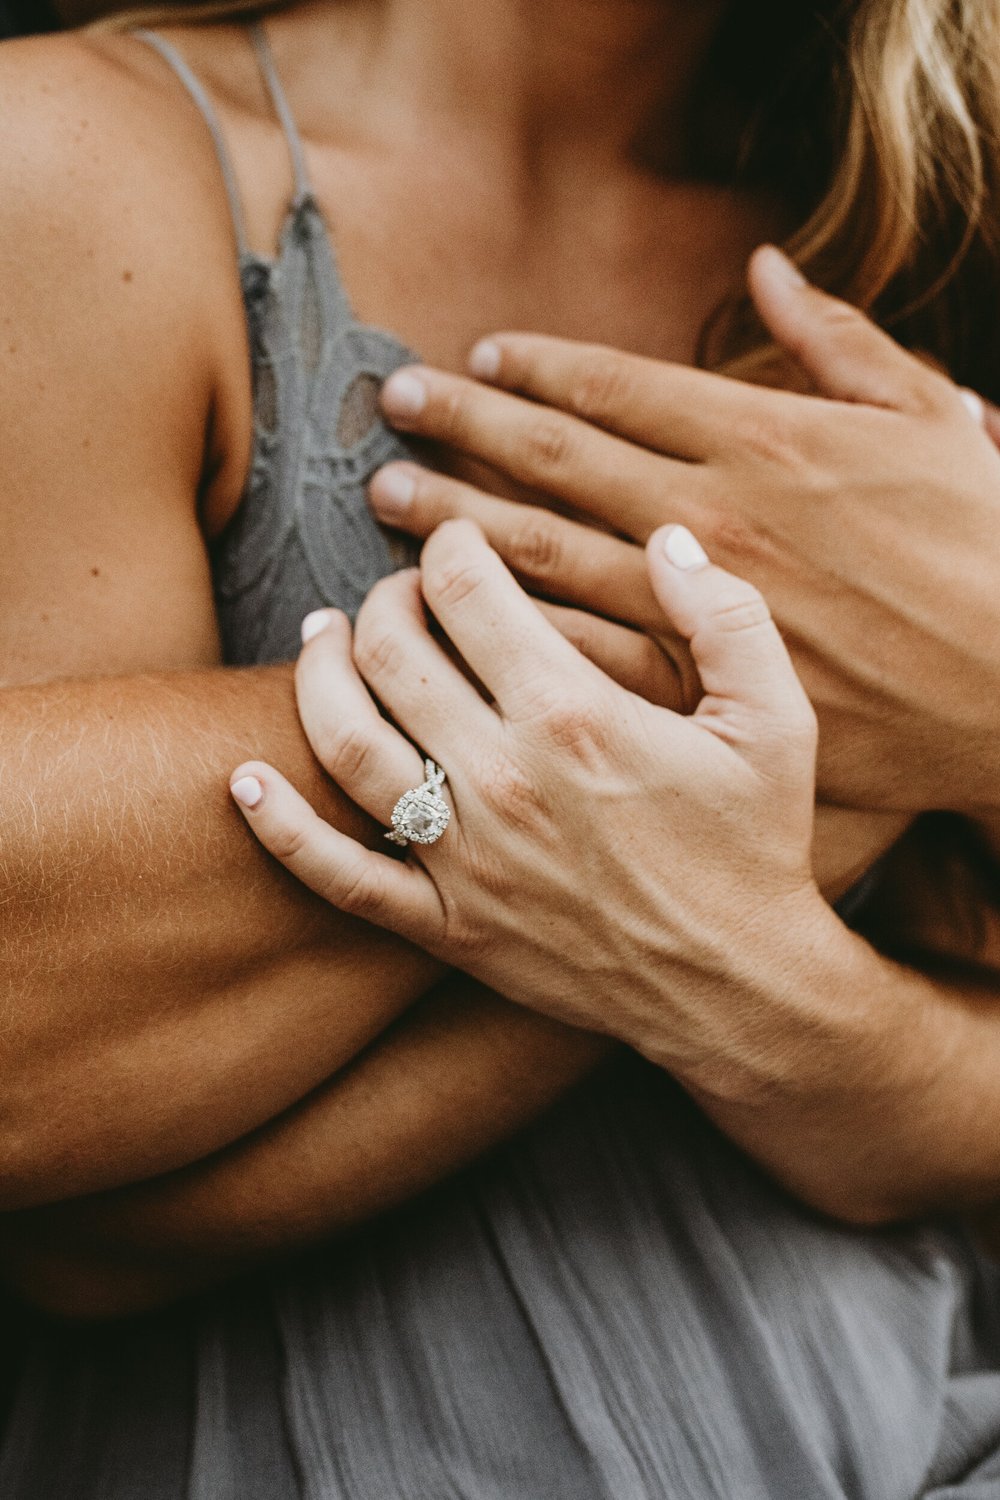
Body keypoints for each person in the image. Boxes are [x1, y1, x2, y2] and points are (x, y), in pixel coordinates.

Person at [0, 0, 999, 1495]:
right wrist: (816, 719)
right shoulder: (75, 164)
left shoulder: (925, 232)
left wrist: (780, 995)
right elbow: (63, 1172)